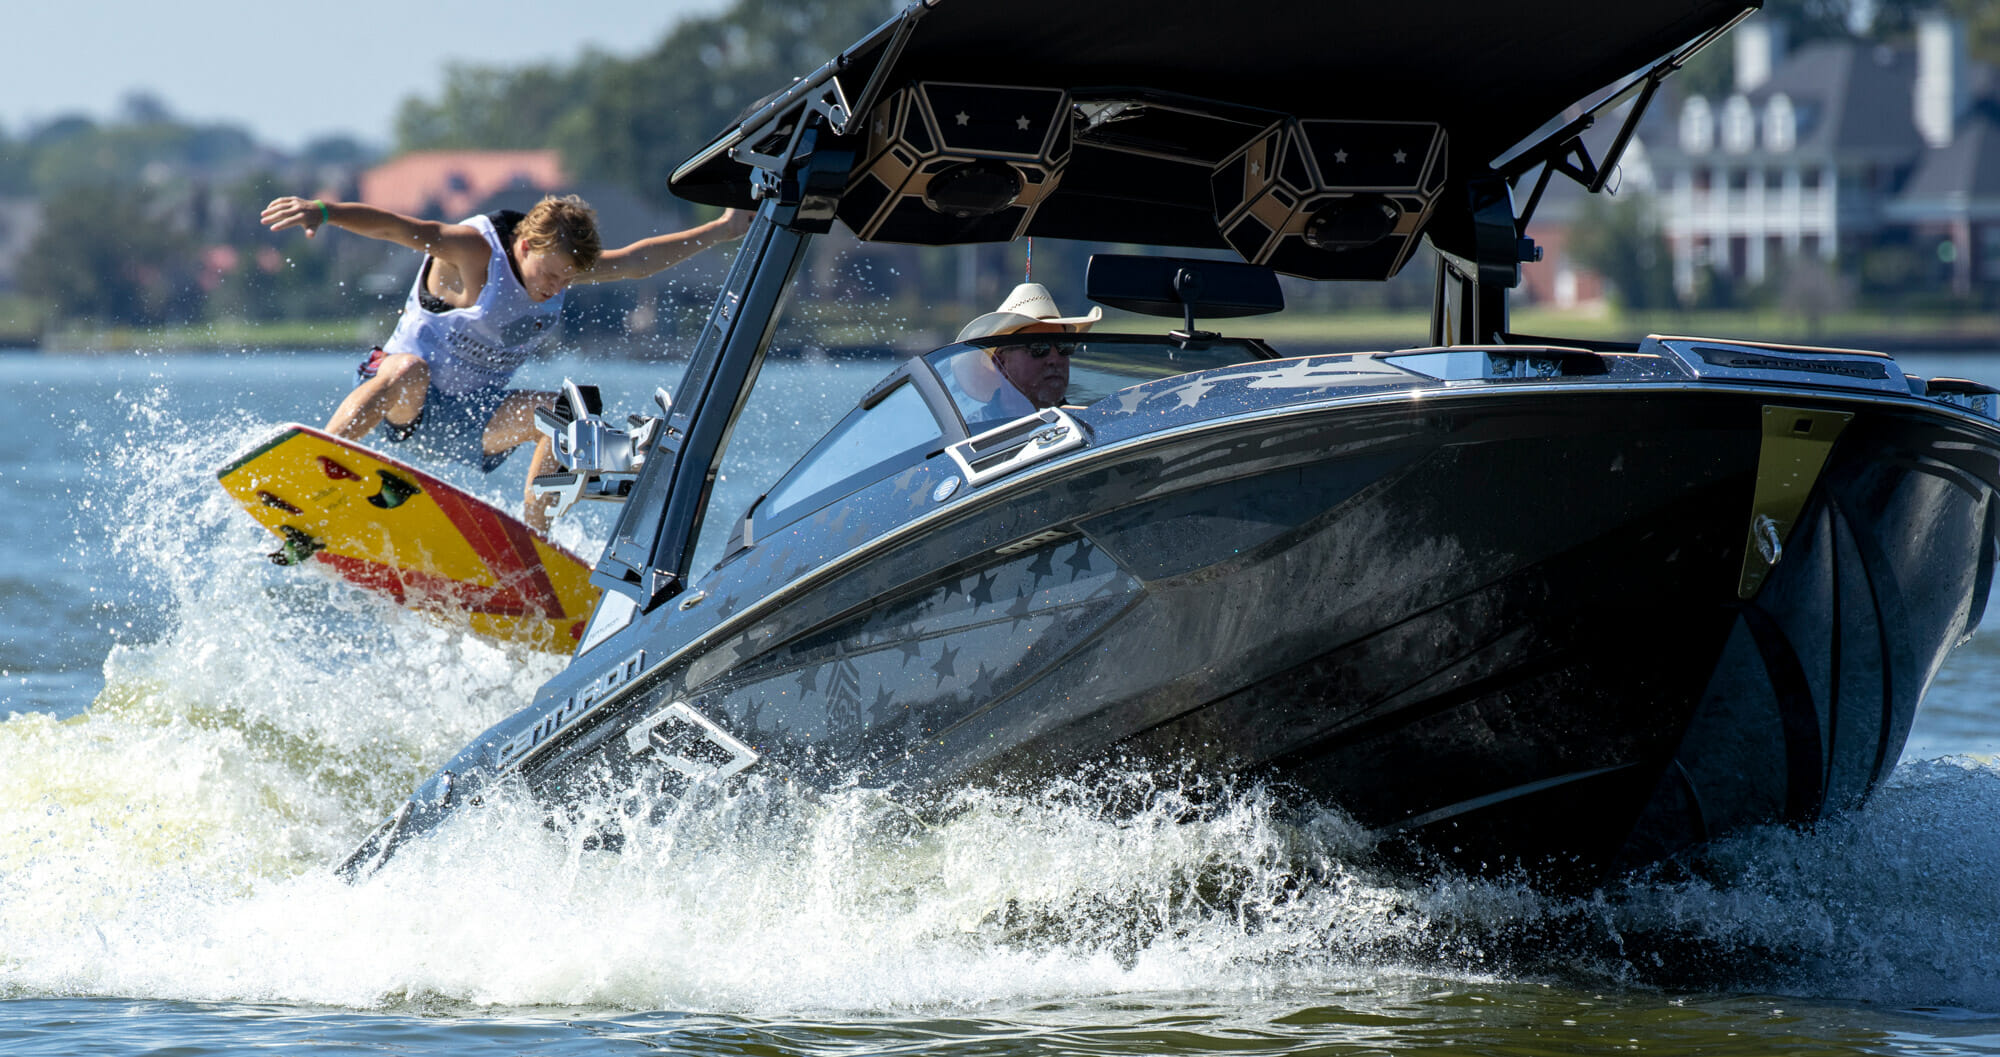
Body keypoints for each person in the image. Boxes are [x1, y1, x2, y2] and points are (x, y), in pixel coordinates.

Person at [260, 192, 749, 532]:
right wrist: (324, 211)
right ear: (526, 245)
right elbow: (399, 228)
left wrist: (723, 229)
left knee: (565, 415)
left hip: (474, 420)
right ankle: (312, 472)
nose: (557, 288)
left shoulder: (562, 266)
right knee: (408, 370)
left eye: (567, 279)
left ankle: (535, 542)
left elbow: (636, 260)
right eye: (553, 275)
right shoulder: (474, 252)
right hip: (402, 402)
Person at [952, 282, 1101, 413]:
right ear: (1001, 363)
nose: (1055, 359)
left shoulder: (1089, 427)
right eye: (1038, 347)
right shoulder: (974, 436)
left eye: (1064, 346)